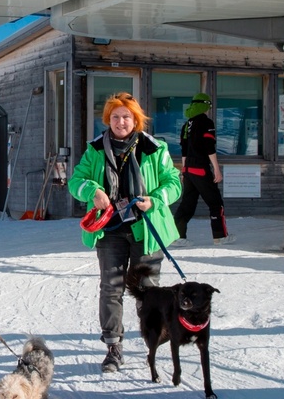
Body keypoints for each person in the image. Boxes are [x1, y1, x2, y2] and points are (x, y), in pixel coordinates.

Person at [67, 92, 182, 373]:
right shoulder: (95, 149)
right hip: (110, 230)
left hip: (146, 229)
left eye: (126, 117)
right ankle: (113, 347)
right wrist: (93, 191)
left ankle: (151, 340)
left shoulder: (155, 148)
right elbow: (76, 181)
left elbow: (174, 183)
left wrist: (154, 199)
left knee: (148, 291)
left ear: (136, 119)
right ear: (108, 119)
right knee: (111, 289)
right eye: (115, 117)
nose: (121, 122)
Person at [173, 93, 234, 245]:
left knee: (187, 204)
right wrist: (217, 169)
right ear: (204, 106)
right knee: (215, 203)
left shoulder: (186, 125)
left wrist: (184, 170)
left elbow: (184, 151)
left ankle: (177, 236)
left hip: (189, 170)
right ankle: (220, 236)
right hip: (201, 168)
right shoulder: (206, 122)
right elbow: (209, 146)